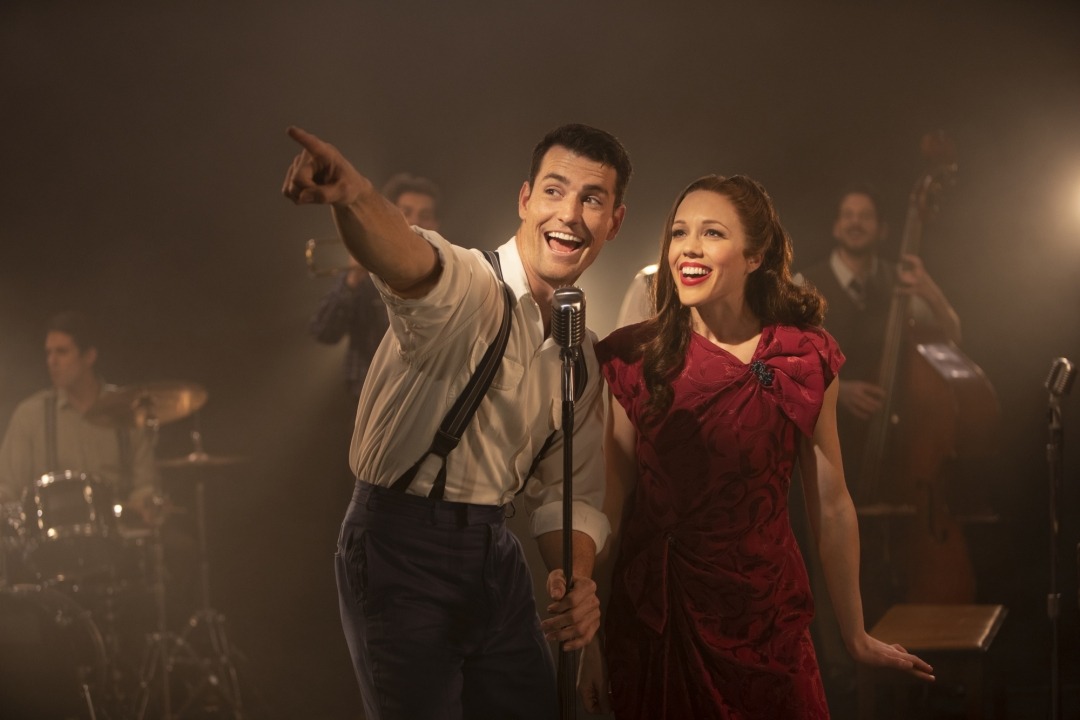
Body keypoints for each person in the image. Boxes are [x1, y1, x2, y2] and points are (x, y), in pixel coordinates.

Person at [281, 122, 632, 720]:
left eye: (591, 199)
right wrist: (355, 196)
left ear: (614, 222)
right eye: (554, 191)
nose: (569, 214)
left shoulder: (582, 358)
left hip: (493, 550)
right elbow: (411, 259)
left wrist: (574, 581)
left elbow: (568, 498)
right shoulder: (471, 284)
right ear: (525, 200)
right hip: (400, 543)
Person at [580, 175, 933, 719]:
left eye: (712, 232)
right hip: (661, 620)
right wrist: (588, 641)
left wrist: (855, 634)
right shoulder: (634, 356)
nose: (689, 248)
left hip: (768, 621)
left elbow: (832, 502)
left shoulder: (803, 356)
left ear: (755, 256)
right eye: (679, 232)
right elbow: (610, 507)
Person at [0, 311, 158, 515]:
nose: (52, 361)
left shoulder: (127, 409)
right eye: (48, 353)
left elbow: (146, 485)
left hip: (119, 535)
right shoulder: (30, 415)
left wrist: (145, 504)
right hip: (53, 538)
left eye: (62, 352)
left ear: (89, 356)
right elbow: (7, 485)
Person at [309, 172, 443, 397]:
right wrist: (353, 279)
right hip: (372, 399)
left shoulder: (448, 276)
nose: (416, 222)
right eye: (406, 212)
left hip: (428, 400)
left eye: (425, 215)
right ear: (390, 217)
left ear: (437, 225)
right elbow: (324, 332)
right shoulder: (365, 272)